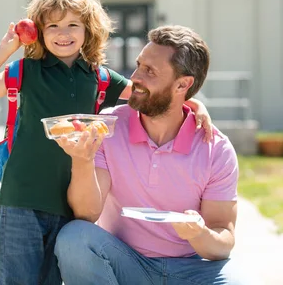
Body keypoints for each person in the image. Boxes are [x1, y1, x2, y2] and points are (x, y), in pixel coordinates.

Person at [0, 0, 214, 285]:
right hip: (20, 199)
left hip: (67, 204)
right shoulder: (26, 71)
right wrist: (6, 49)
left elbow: (148, 94)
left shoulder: (101, 79)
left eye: (73, 24)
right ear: (40, 31)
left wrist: (195, 105)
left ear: (88, 29)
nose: (63, 33)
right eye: (53, 25)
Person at [53, 25, 253, 285]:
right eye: (138, 65)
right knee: (74, 237)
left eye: (150, 71)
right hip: (126, 263)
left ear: (183, 84)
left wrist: (198, 233)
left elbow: (223, 241)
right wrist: (82, 160)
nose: (135, 77)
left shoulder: (215, 148)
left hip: (191, 268)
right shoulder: (108, 127)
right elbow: (87, 214)